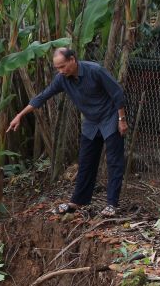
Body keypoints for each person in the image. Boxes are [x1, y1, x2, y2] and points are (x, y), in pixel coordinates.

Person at [8, 47, 128, 216]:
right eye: (57, 68)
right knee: (86, 162)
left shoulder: (95, 71)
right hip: (91, 123)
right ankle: (77, 201)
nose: (60, 71)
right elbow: (43, 96)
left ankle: (112, 204)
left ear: (73, 59)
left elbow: (117, 93)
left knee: (114, 162)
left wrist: (122, 119)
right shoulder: (62, 79)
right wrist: (20, 115)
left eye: (63, 66)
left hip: (110, 118)